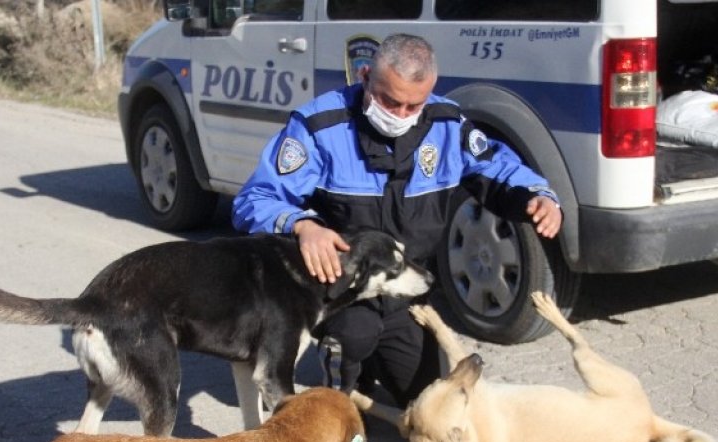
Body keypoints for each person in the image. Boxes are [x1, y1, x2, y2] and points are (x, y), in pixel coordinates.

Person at [232, 33, 562, 407]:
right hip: (343, 292)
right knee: (354, 342)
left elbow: (499, 167)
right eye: (389, 100)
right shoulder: (318, 127)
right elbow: (253, 200)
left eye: (413, 105)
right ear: (365, 75)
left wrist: (539, 197)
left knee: (424, 401)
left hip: (404, 287)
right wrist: (303, 226)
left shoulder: (447, 125)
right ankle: (339, 389)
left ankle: (375, 361)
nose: (400, 115)